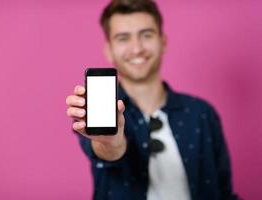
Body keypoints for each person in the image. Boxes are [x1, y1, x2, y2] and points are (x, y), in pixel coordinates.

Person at [66, 0, 239, 199]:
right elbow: (106, 151)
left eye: (146, 35)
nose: (137, 48)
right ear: (109, 49)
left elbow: (223, 193)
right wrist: (110, 141)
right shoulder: (93, 111)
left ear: (163, 41)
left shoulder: (202, 114)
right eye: (123, 38)